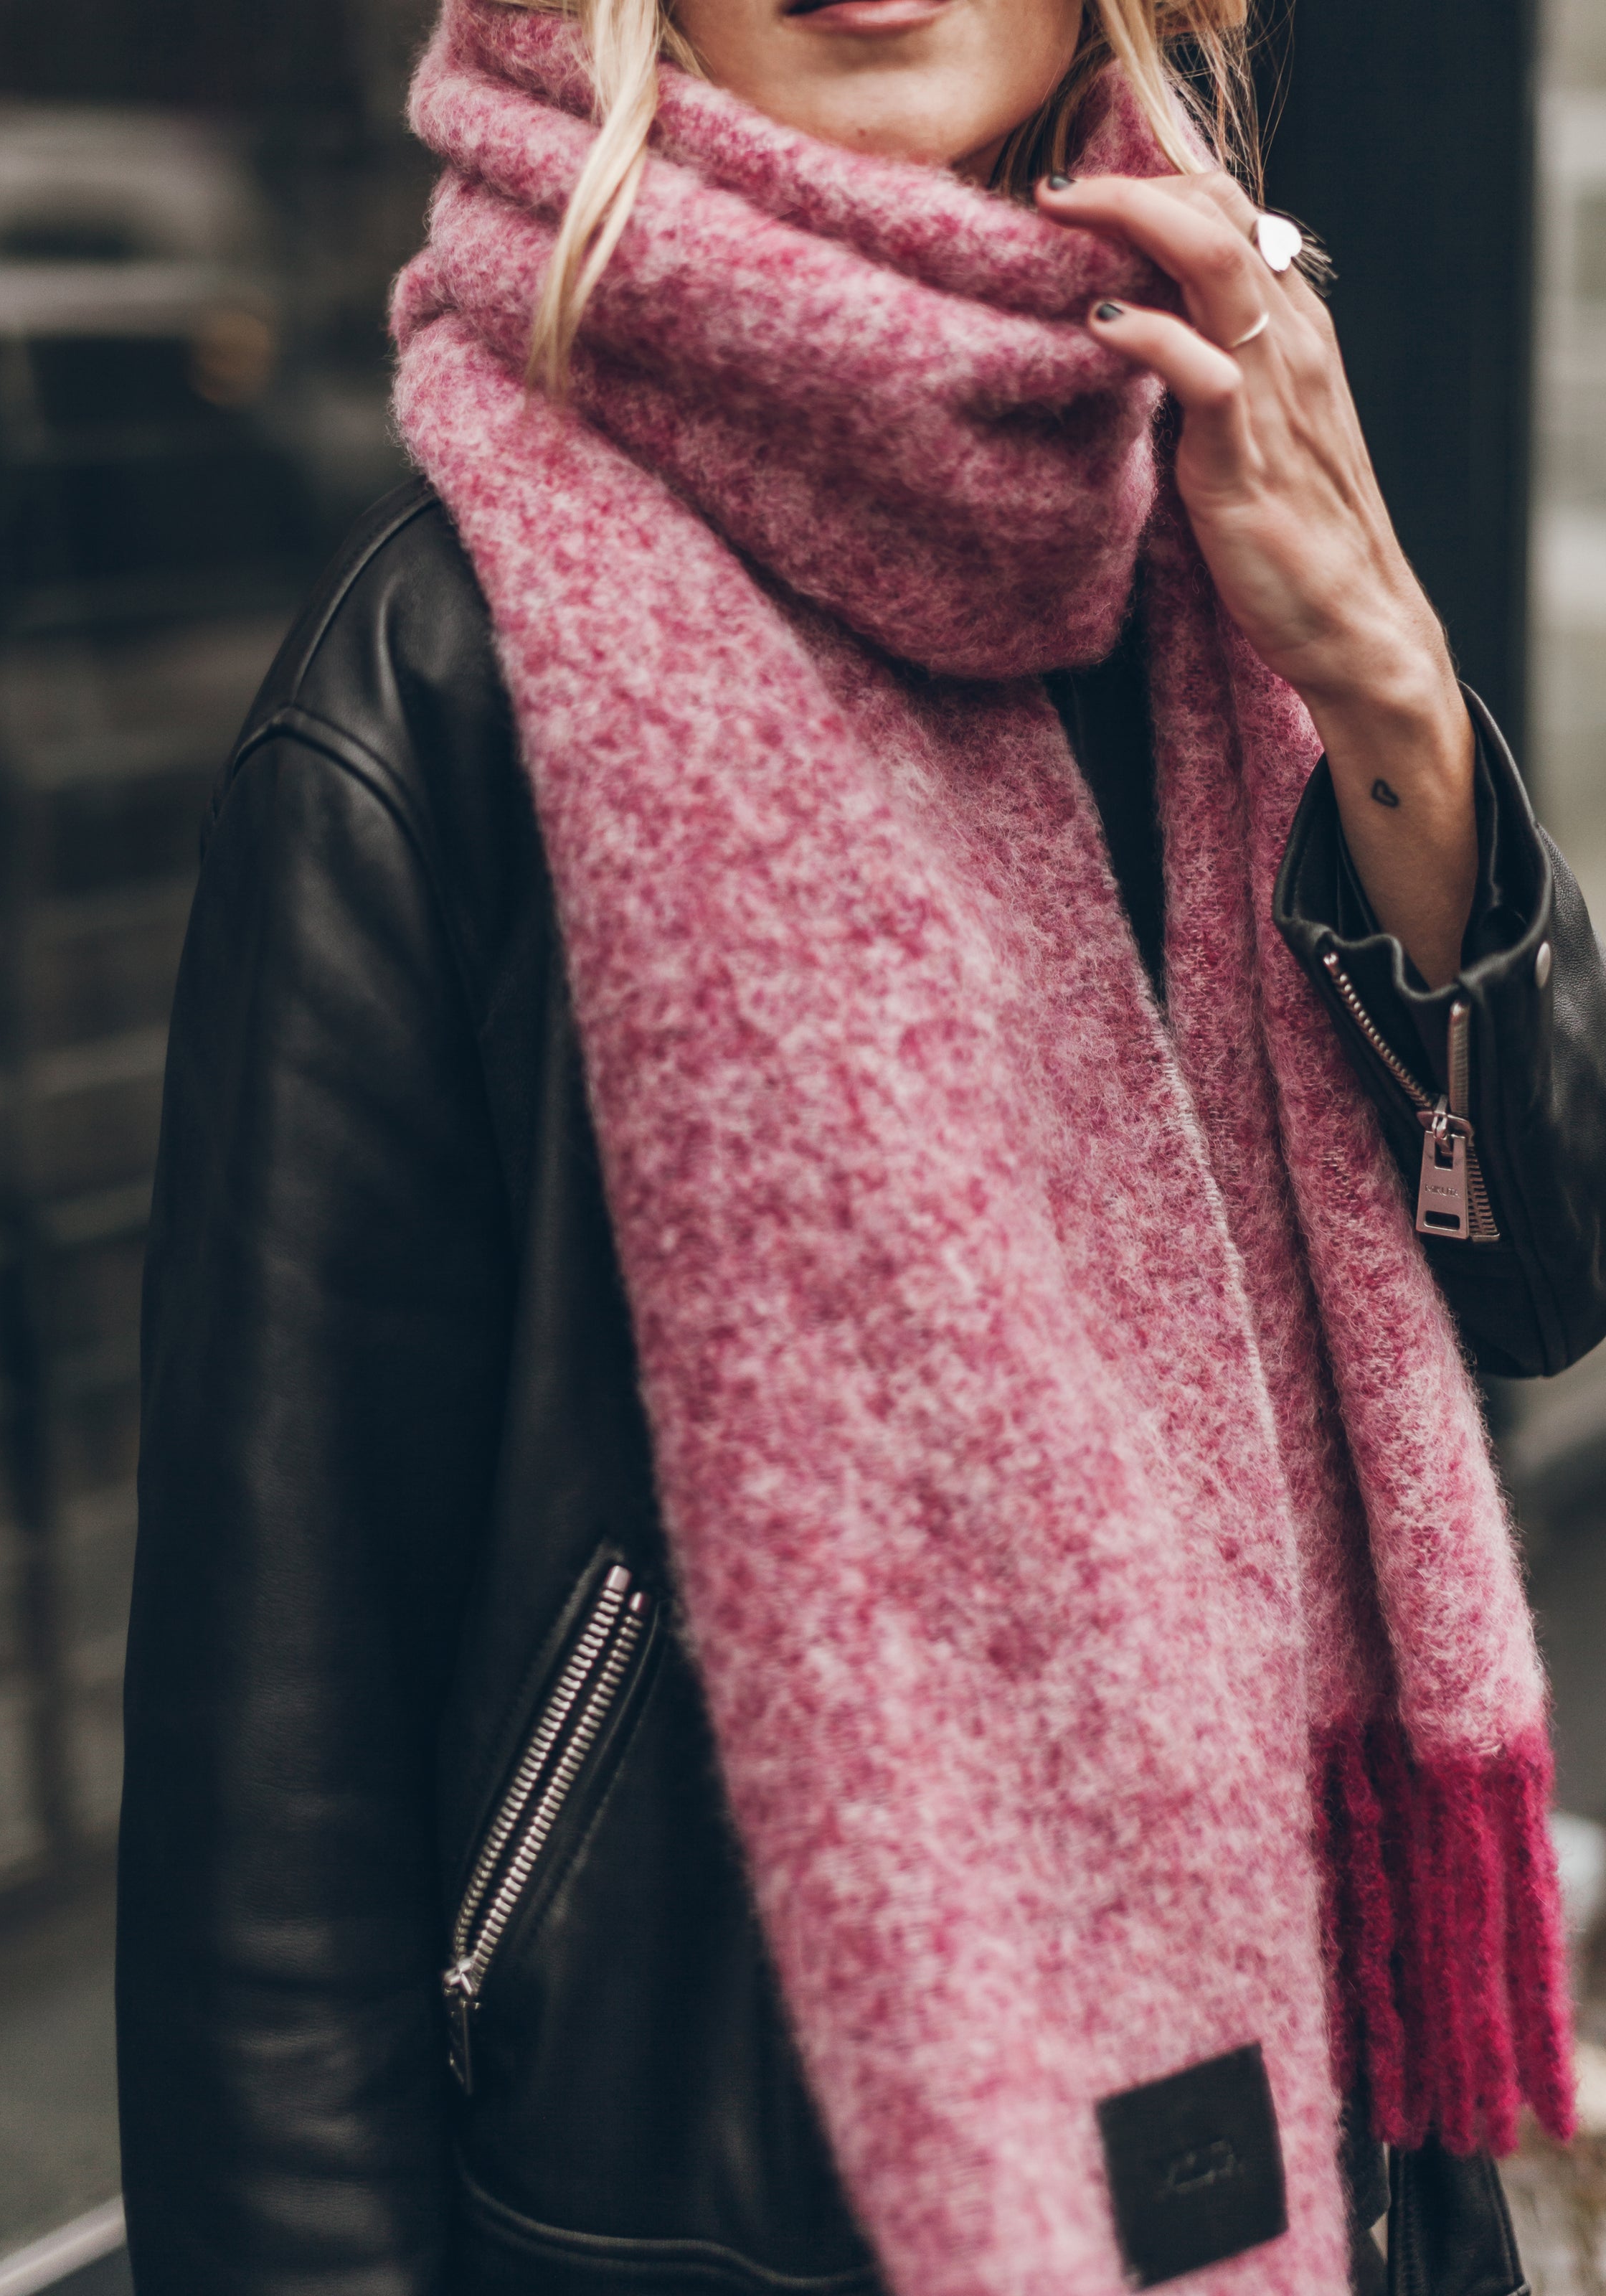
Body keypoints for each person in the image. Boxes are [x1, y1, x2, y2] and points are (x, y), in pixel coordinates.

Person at [115, 1, 1606, 2290]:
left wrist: (1393, 678)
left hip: (1347, 2180)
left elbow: (1544, 1274)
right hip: (728, 2213)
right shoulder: (433, 689)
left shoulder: (1224, 529)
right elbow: (264, 1859)